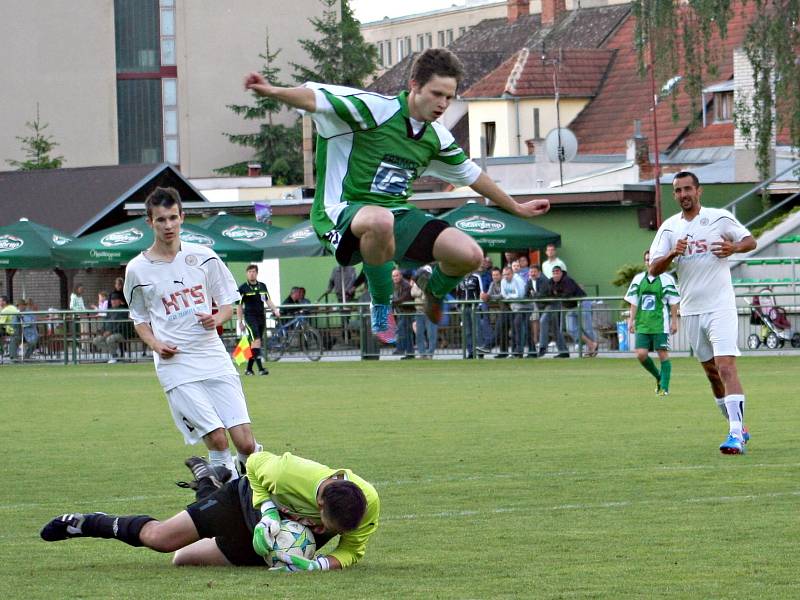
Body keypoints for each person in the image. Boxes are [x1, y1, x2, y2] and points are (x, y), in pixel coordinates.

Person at [243, 48, 549, 340]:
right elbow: (316, 99)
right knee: (380, 219)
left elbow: (472, 175)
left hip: (395, 216)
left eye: (449, 97)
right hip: (341, 213)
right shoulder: (374, 110)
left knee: (470, 255)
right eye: (437, 94)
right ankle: (380, 304)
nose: (443, 103)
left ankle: (433, 291)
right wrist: (273, 91)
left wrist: (516, 208)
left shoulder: (436, 136)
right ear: (414, 85)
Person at [40, 450, 379, 572]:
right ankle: (86, 523)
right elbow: (255, 464)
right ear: (319, 503)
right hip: (243, 502)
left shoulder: (366, 506)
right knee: (162, 540)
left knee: (182, 560)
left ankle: (207, 481)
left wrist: (319, 563)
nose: (322, 533)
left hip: (268, 545)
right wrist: (270, 512)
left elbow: (352, 549)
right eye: (320, 525)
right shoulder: (290, 473)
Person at [123, 186, 261, 476]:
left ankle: (250, 481)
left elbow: (226, 300)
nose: (168, 225)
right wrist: (156, 344)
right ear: (150, 222)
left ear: (182, 217)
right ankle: (229, 500)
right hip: (177, 364)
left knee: (246, 443)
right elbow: (138, 318)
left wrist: (216, 317)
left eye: (173, 218)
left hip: (212, 355)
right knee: (217, 439)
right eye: (161, 220)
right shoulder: (137, 269)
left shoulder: (204, 256)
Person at [648, 171, 756, 454]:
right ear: (674, 195)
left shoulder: (718, 218)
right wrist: (672, 254)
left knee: (725, 366)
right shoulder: (669, 229)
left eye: (688, 189)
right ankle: (739, 426)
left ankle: (734, 435)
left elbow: (750, 241)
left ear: (699, 191)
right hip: (692, 310)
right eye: (678, 190)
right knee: (711, 374)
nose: (683, 194)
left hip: (720, 306)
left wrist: (732, 247)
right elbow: (653, 269)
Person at [625, 250, 681, 395]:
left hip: (660, 324)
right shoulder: (638, 279)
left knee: (662, 354)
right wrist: (631, 321)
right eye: (647, 260)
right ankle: (658, 377)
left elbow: (673, 302)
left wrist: (674, 321)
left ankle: (664, 388)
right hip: (642, 324)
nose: (649, 262)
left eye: (651, 259)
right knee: (641, 354)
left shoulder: (666, 279)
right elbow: (634, 301)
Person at [237, 264, 280, 376]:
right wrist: (240, 321)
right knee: (256, 341)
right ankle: (261, 369)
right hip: (250, 317)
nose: (252, 273)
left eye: (254, 271)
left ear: (257, 273)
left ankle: (249, 369)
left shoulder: (262, 286)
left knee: (255, 344)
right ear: (247, 273)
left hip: (261, 316)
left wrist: (275, 309)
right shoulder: (243, 288)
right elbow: (239, 306)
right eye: (250, 271)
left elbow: (267, 300)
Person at [549, 266, 598, 357]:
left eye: (557, 272)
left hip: (582, 303)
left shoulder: (567, 280)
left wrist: (557, 295)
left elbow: (568, 294)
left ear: (561, 272)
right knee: (571, 329)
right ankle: (591, 344)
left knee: (587, 328)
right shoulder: (551, 281)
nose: (555, 274)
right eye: (554, 273)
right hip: (570, 307)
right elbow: (549, 293)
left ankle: (593, 349)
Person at [455, 267, 485, 358]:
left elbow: (481, 292)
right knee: (467, 331)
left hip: (474, 306)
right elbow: (458, 293)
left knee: (477, 330)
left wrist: (479, 305)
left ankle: (480, 351)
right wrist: (458, 306)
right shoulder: (459, 278)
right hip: (464, 307)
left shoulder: (476, 277)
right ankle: (471, 352)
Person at [500, 266, 527, 357]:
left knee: (517, 325)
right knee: (516, 328)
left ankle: (519, 352)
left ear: (512, 274)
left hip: (525, 307)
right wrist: (511, 296)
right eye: (504, 274)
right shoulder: (503, 281)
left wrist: (509, 296)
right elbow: (503, 295)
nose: (506, 276)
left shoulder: (518, 280)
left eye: (508, 274)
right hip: (514, 307)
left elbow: (520, 295)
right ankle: (516, 352)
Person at [92, 295, 128, 363]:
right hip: (107, 333)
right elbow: (105, 322)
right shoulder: (110, 310)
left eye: (115, 300)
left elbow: (121, 325)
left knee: (110, 339)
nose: (113, 301)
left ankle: (114, 356)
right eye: (112, 300)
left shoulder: (123, 310)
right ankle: (114, 352)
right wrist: (102, 331)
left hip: (120, 333)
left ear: (119, 301)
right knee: (96, 340)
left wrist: (111, 332)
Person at [410, 272, 438, 358]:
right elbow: (413, 293)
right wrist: (422, 292)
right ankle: (422, 353)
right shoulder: (416, 284)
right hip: (419, 311)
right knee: (419, 334)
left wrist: (421, 292)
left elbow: (430, 295)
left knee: (431, 334)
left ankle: (430, 353)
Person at [524, 263, 549, 357]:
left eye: (534, 272)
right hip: (539, 306)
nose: (532, 274)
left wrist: (534, 294)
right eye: (531, 272)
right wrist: (533, 295)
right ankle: (537, 349)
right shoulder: (529, 281)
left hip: (549, 305)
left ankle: (542, 348)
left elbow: (542, 294)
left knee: (545, 323)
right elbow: (526, 295)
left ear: (539, 272)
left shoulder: (544, 280)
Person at [391, 268, 415, 358]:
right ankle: (408, 353)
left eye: (397, 275)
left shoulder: (405, 285)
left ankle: (407, 352)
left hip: (407, 312)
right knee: (404, 332)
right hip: (401, 312)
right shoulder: (395, 285)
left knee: (405, 333)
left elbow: (404, 298)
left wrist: (393, 302)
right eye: (393, 276)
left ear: (401, 276)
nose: (395, 278)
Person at [0, 295, 21, 361]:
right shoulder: (12, 307)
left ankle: (1, 352)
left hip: (11, 330)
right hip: (18, 329)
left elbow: (1, 323)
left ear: (4, 302)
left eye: (0, 301)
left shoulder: (5, 310)